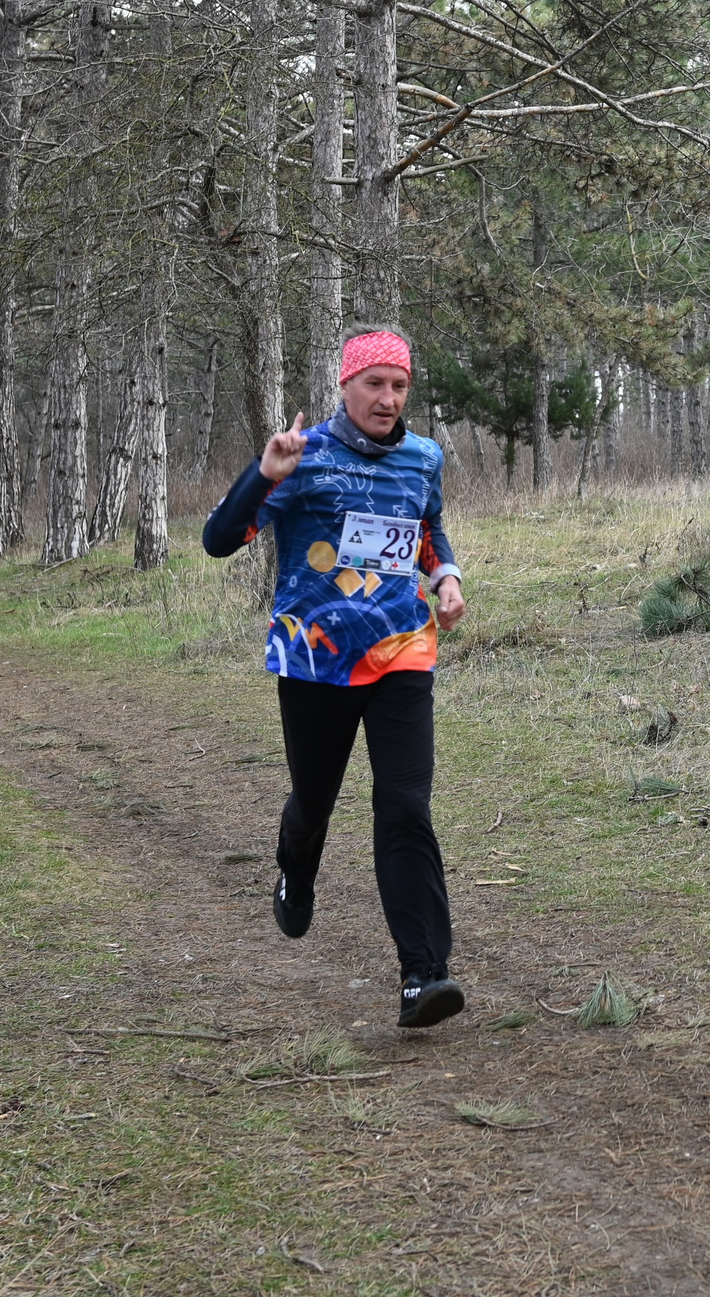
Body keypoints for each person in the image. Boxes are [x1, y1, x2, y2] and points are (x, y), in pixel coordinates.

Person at [201, 331, 471, 1028]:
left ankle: (423, 975)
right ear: (346, 386)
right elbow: (219, 538)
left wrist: (445, 577)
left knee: (405, 806)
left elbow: (427, 531)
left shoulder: (424, 457)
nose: (388, 398)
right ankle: (297, 860)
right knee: (314, 800)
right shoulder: (302, 455)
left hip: (401, 651)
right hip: (315, 658)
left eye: (400, 385)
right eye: (375, 383)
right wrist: (264, 474)